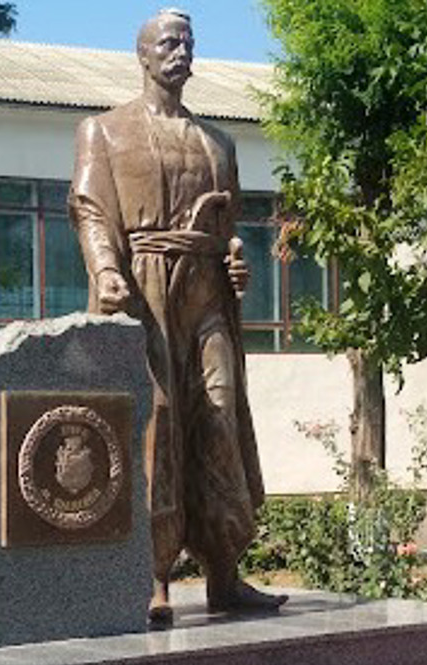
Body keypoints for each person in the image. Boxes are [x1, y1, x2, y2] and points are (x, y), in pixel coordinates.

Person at [69, 8, 286, 621]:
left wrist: (237, 261)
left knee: (218, 418)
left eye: (188, 43)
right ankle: (154, 575)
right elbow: (90, 209)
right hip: (144, 288)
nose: (180, 53)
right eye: (169, 43)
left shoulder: (218, 142)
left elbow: (230, 228)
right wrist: (106, 270)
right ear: (142, 54)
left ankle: (224, 571)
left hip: (207, 292)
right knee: (156, 424)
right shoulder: (103, 131)